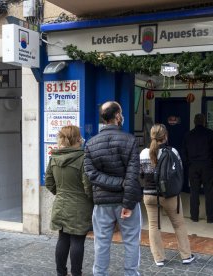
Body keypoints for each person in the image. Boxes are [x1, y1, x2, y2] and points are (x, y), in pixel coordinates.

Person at [84, 101, 142, 276]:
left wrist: (116, 183)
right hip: (126, 201)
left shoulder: (90, 143)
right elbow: (132, 176)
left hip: (102, 203)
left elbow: (91, 175)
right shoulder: (130, 140)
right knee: (131, 241)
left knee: (101, 243)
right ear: (117, 116)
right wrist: (128, 203)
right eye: (121, 113)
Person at [139, 124, 195, 267]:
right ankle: (186, 256)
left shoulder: (143, 153)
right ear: (165, 136)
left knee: (153, 226)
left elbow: (140, 175)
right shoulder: (173, 152)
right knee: (178, 224)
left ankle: (159, 259)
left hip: (149, 196)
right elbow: (179, 171)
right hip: (169, 195)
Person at [45, 125, 93, 276]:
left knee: (63, 239)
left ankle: (61, 273)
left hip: (60, 204)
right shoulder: (83, 158)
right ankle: (76, 273)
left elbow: (48, 182)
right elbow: (88, 186)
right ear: (78, 139)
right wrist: (91, 200)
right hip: (80, 207)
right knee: (78, 241)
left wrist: (60, 193)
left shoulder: (54, 157)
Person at [182, 114, 213, 223]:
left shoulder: (188, 135)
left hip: (193, 167)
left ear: (194, 122)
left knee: (194, 192)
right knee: (210, 192)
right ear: (204, 122)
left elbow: (184, 153)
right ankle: (210, 217)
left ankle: (194, 216)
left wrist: (188, 164)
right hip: (208, 167)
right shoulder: (211, 134)